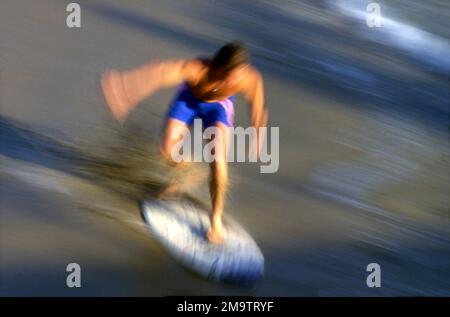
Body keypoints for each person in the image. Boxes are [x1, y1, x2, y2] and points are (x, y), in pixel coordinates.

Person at [101, 42, 268, 243]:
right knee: (167, 151)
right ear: (220, 67)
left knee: (218, 164)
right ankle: (188, 171)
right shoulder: (198, 70)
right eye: (235, 73)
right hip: (189, 101)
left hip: (218, 109)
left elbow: (258, 109)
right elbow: (161, 72)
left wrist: (258, 134)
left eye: (241, 72)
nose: (239, 77)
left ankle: (215, 220)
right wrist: (127, 87)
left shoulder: (249, 79)